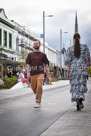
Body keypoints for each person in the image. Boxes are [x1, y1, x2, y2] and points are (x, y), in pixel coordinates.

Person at [66, 33, 90, 111]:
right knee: (81, 86)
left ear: (73, 39)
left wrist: (68, 72)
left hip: (73, 70)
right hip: (82, 69)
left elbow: (68, 62)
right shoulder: (85, 47)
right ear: (80, 38)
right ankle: (80, 100)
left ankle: (77, 102)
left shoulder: (69, 49)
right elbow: (87, 61)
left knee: (74, 87)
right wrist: (86, 69)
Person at [26, 40, 49, 108]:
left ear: (39, 45)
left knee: (39, 86)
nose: (35, 44)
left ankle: (37, 101)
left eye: (36, 43)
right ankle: (39, 94)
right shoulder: (30, 55)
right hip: (32, 73)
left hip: (40, 73)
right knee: (33, 87)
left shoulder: (43, 54)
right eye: (34, 43)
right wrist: (28, 73)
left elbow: (46, 65)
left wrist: (47, 74)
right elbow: (28, 64)